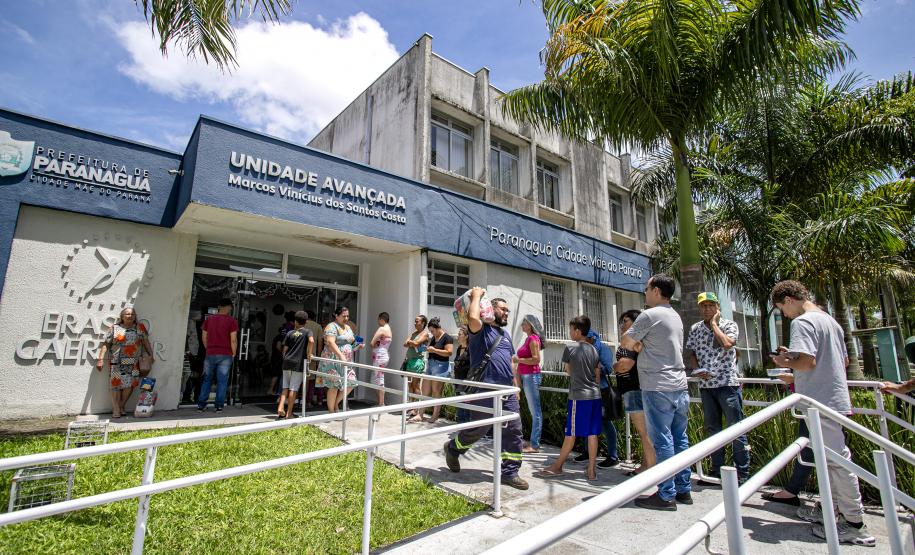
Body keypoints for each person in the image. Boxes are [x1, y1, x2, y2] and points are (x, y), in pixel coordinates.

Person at [768, 280, 875, 546]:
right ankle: (834, 511)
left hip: (819, 400)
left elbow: (807, 362)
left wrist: (783, 361)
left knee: (838, 462)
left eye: (782, 308)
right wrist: (793, 359)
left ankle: (854, 523)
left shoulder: (802, 322)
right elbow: (842, 360)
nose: (785, 314)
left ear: (788, 300)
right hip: (834, 398)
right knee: (832, 462)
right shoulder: (830, 321)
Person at [444, 288, 529, 490]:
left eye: (508, 310)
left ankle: (510, 472)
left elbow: (511, 362)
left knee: (514, 430)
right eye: (503, 309)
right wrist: (476, 296)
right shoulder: (481, 331)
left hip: (506, 392)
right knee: (478, 429)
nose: (506, 312)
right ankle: (453, 448)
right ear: (491, 309)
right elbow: (473, 317)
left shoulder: (505, 335)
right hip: (484, 389)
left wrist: (515, 388)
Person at [621, 274, 691, 511]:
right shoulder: (675, 315)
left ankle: (665, 495)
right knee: (680, 439)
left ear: (657, 291)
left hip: (657, 385)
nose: (645, 291)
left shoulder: (649, 315)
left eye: (647, 288)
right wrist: (642, 343)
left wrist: (639, 344)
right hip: (679, 385)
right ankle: (683, 489)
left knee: (662, 440)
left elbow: (626, 342)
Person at [686, 292, 750, 484]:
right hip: (706, 386)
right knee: (712, 429)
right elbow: (692, 353)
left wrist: (714, 324)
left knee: (736, 428)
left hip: (727, 384)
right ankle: (716, 471)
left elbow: (728, 344)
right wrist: (697, 369)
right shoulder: (695, 328)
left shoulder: (729, 325)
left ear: (717, 307)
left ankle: (742, 473)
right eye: (703, 306)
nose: (707, 309)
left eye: (711, 305)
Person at [535, 316, 603, 481]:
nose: (570, 332)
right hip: (595, 396)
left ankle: (557, 467)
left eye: (571, 329)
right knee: (592, 434)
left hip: (579, 397)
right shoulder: (594, 349)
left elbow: (568, 371)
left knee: (571, 433)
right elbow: (597, 375)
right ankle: (591, 470)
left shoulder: (570, 348)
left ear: (578, 331)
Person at [613, 309, 656, 476]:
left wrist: (614, 366)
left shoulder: (631, 341)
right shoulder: (638, 340)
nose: (622, 325)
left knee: (644, 433)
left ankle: (651, 470)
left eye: (625, 321)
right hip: (637, 388)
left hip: (633, 389)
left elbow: (625, 365)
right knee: (645, 432)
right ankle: (645, 465)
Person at [575, 328, 621, 469]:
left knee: (605, 422)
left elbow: (608, 369)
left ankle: (613, 456)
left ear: (592, 338)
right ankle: (588, 452)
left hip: (601, 391)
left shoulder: (603, 349)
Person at [97, 307, 153, 418]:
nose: (130, 316)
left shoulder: (140, 328)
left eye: (132, 314)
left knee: (130, 384)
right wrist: (100, 359)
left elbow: (146, 342)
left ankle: (121, 405)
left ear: (135, 316)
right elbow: (106, 344)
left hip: (133, 361)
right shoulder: (115, 328)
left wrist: (151, 355)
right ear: (122, 316)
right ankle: (116, 409)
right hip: (116, 361)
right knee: (115, 385)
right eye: (127, 314)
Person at [317, 306, 361, 413]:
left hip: (346, 362)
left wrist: (357, 346)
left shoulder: (348, 327)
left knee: (351, 382)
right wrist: (341, 355)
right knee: (334, 386)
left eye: (347, 316)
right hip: (333, 360)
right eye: (343, 316)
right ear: (336, 316)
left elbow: (351, 343)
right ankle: (331, 411)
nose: (346, 318)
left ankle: (336, 403)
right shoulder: (331, 326)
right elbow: (331, 342)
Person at [197, 299, 238, 412]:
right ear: (229, 307)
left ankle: (201, 405)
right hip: (226, 354)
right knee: (222, 381)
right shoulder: (232, 321)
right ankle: (219, 406)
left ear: (219, 307)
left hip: (210, 353)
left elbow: (204, 337)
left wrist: (209, 348)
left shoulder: (209, 319)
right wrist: (234, 353)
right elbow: (233, 340)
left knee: (207, 379)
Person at [412, 317, 453, 423]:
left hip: (441, 366)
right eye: (430, 331)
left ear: (438, 328)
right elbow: (432, 349)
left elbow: (449, 352)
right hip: (431, 364)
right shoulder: (434, 338)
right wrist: (426, 349)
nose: (431, 333)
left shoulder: (447, 338)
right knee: (425, 390)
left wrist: (434, 350)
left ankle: (435, 415)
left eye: (432, 331)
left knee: (436, 392)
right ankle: (420, 414)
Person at [513, 315, 543, 453]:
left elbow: (536, 359)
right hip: (527, 377)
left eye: (524, 323)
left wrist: (518, 360)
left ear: (530, 325)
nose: (522, 326)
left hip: (531, 376)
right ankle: (533, 442)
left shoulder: (533, 339)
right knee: (533, 411)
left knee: (535, 412)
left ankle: (534, 445)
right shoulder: (528, 339)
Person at [277, 311, 314, 419]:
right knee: (293, 388)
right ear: (306, 322)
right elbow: (311, 341)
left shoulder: (290, 333)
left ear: (295, 322)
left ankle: (280, 407)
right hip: (298, 363)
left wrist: (285, 358)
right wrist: (309, 353)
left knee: (285, 386)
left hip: (287, 361)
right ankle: (289, 413)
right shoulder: (308, 332)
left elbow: (285, 349)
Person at [403, 315, 429, 416]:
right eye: (415, 321)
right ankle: (411, 407)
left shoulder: (425, 333)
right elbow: (405, 344)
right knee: (410, 385)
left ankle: (416, 409)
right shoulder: (414, 333)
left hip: (417, 362)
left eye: (417, 321)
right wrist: (412, 343)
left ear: (423, 323)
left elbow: (417, 343)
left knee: (416, 385)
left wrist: (412, 342)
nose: (415, 323)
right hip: (409, 361)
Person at [370, 312, 393, 407]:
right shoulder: (389, 329)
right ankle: (380, 402)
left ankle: (381, 404)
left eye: (378, 319)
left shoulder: (382, 329)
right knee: (375, 379)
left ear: (381, 319)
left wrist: (375, 344)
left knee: (379, 379)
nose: (378, 322)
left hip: (379, 357)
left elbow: (372, 343)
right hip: (384, 355)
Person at [304, 310, 324, 408]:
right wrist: (318, 357)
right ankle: (307, 401)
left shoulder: (301, 325)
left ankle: (299, 400)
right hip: (311, 355)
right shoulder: (318, 326)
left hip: (300, 355)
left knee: (300, 379)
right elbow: (320, 343)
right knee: (310, 380)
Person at [453, 325, 471, 423]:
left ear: (466, 336)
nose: (457, 337)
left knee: (467, 407)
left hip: (467, 383)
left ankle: (466, 427)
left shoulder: (471, 349)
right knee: (460, 406)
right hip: (458, 381)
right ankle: (460, 425)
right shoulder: (459, 348)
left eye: (460, 334)